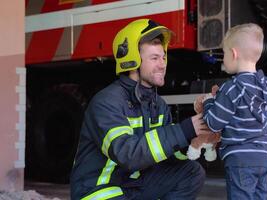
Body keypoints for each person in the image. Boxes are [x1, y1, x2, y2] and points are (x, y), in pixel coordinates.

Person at [70, 19, 211, 200]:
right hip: (98, 191)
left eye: (163, 57)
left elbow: (165, 153)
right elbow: (128, 155)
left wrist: (194, 141)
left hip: (133, 185)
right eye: (154, 58)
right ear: (132, 60)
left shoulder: (156, 103)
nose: (162, 64)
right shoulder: (106, 102)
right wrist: (184, 130)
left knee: (191, 173)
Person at [194, 23, 267, 200]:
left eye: (224, 54)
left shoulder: (232, 88)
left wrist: (209, 102)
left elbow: (213, 122)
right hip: (263, 157)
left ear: (234, 54)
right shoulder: (266, 86)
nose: (223, 59)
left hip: (240, 158)